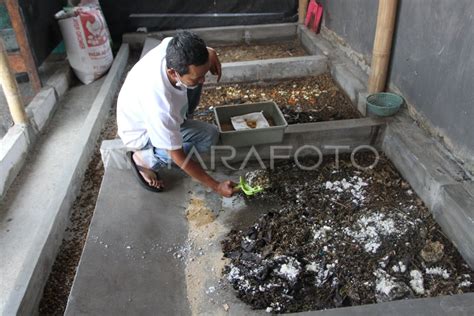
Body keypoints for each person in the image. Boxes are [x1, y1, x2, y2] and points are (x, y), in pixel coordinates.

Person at [117, 31, 235, 197]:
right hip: (142, 133)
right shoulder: (161, 105)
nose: (204, 81)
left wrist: (210, 53)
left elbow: (197, 52)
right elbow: (178, 156)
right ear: (173, 73)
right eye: (198, 77)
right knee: (209, 137)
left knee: (194, 83)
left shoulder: (173, 48)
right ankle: (146, 160)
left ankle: (179, 123)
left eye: (204, 74)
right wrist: (216, 186)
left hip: (147, 111)